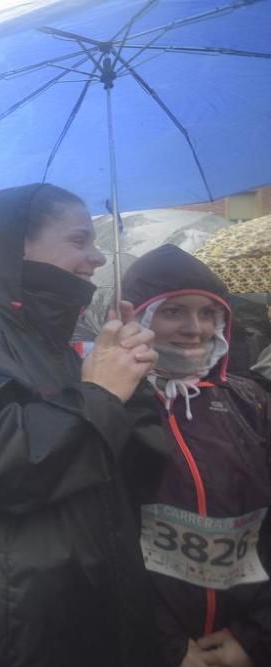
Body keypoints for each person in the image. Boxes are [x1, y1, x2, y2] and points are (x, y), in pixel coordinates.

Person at [0, 184, 165, 667]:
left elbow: (137, 474)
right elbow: (1, 467)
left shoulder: (65, 347)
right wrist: (101, 394)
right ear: (17, 244)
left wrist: (133, 382)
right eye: (79, 240)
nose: (97, 257)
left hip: (76, 610)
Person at [121, 245, 271, 667]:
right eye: (173, 312)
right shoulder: (111, 406)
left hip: (242, 641)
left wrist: (256, 635)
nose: (195, 328)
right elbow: (101, 542)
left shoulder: (251, 403)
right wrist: (164, 645)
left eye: (208, 314)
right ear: (140, 316)